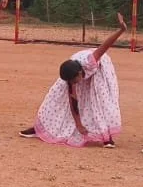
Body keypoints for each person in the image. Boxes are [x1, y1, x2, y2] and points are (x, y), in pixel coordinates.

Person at [19, 12, 127, 146]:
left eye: (75, 81)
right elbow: (73, 101)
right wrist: (79, 124)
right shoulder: (70, 76)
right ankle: (40, 129)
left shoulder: (90, 61)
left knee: (99, 102)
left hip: (100, 71)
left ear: (79, 73)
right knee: (54, 99)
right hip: (75, 70)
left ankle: (106, 137)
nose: (75, 84)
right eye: (72, 83)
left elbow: (106, 45)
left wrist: (121, 30)